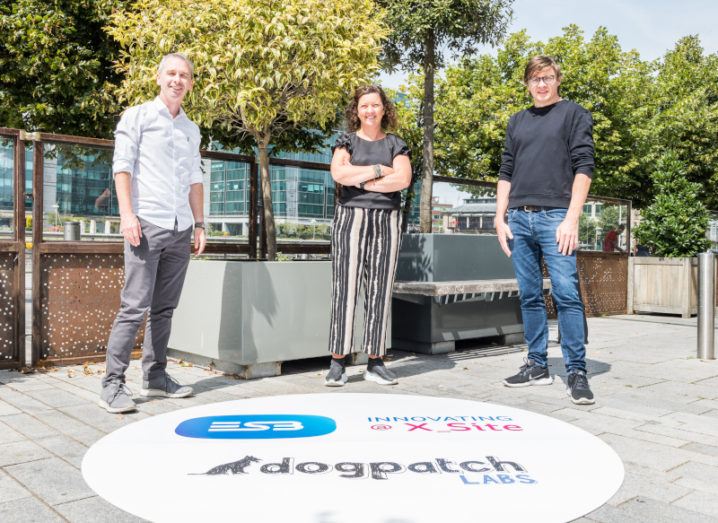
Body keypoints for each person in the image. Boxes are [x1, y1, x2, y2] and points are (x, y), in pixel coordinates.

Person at [99, 53, 207, 413]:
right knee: (134, 307)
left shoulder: (192, 129)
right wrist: (127, 215)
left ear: (191, 83)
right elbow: (122, 167)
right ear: (159, 78)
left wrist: (200, 223)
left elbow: (195, 178)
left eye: (184, 75)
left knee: (165, 309)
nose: (178, 80)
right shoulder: (138, 116)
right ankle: (112, 384)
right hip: (145, 224)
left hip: (180, 228)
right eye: (172, 73)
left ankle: (156, 376)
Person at [495, 55, 596, 405]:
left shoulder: (574, 114)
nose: (541, 84)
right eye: (535, 79)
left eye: (548, 77)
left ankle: (576, 371)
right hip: (518, 218)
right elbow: (506, 170)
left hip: (557, 218)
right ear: (527, 83)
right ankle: (536, 365)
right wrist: (499, 216)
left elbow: (584, 166)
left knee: (567, 294)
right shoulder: (517, 121)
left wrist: (572, 218)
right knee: (529, 295)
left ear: (557, 80)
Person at [325, 85, 412, 386]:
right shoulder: (346, 141)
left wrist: (360, 179)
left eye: (375, 105)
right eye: (364, 106)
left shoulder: (395, 143)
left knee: (379, 289)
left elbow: (403, 178)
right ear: (357, 111)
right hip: (350, 218)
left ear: (384, 109)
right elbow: (338, 174)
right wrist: (378, 169)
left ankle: (375, 361)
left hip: (387, 220)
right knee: (345, 288)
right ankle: (338, 361)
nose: (370, 111)